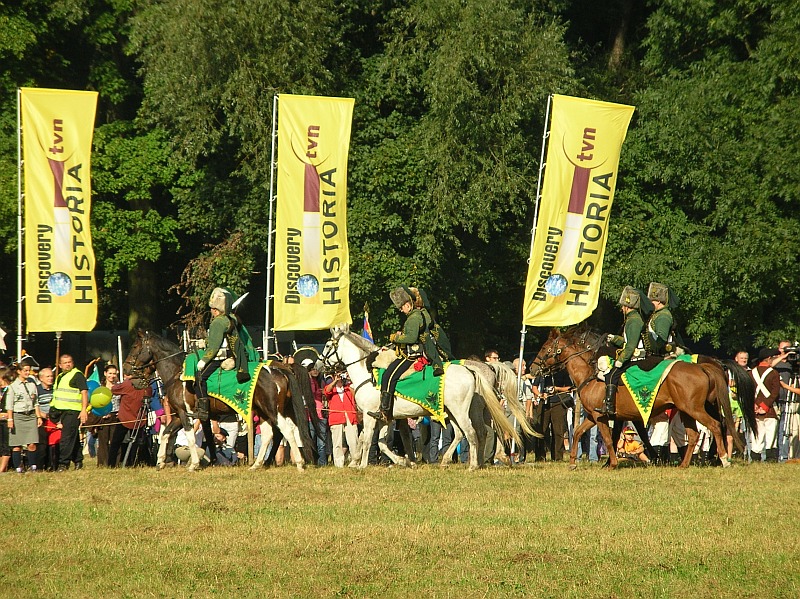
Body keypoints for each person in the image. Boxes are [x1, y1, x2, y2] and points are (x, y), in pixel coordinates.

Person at [368, 286, 427, 422]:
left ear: (407, 304)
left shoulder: (413, 318)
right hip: (408, 353)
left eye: (401, 307)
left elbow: (411, 338)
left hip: (411, 356)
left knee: (389, 375)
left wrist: (395, 337)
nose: (400, 310)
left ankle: (384, 411)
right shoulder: (413, 317)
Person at [196, 287, 252, 421]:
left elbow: (214, 347)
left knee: (199, 378)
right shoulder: (231, 318)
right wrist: (205, 341)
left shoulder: (217, 322)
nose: (211, 311)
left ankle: (203, 410)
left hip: (220, 357)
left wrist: (203, 361)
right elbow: (221, 338)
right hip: (233, 354)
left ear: (216, 309)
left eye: (212, 309)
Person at [598, 286, 648, 416]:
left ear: (627, 306)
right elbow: (626, 341)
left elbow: (631, 346)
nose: (621, 309)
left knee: (611, 375)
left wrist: (620, 360)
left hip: (637, 356)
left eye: (623, 306)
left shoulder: (634, 321)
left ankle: (609, 407)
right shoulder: (632, 319)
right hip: (632, 353)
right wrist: (614, 338)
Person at [50, 354, 89, 471]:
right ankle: (78, 461)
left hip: (73, 411)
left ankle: (63, 464)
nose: (68, 364)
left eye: (69, 362)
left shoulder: (77, 375)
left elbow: (84, 392)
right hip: (61, 411)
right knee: (73, 437)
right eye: (65, 363)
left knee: (66, 439)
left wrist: (84, 410)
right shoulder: (60, 376)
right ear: (60, 365)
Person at [3, 361, 44, 472]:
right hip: (18, 416)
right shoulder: (13, 387)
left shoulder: (32, 385)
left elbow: (36, 403)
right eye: (25, 370)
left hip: (30, 416)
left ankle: (33, 466)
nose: (27, 373)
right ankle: (18, 467)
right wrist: (10, 419)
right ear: (19, 371)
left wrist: (38, 417)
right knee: (17, 444)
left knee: (32, 443)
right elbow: (9, 405)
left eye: (28, 370)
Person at [750, 348, 781, 462]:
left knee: (757, 435)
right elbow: (775, 393)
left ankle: (755, 458)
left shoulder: (751, 373)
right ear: (768, 358)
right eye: (773, 358)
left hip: (755, 409)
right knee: (771, 435)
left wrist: (755, 405)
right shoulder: (774, 373)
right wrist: (765, 406)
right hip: (770, 409)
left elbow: (749, 392)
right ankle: (770, 459)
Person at [323, 372, 359, 467]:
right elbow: (327, 391)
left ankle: (355, 461)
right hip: (336, 417)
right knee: (337, 442)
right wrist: (335, 381)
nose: (340, 378)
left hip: (350, 416)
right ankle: (339, 463)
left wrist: (349, 381)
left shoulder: (349, 388)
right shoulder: (332, 388)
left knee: (353, 440)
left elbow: (356, 396)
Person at [646, 282, 675, 356]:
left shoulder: (663, 316)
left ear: (658, 301)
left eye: (652, 301)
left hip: (662, 356)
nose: (649, 303)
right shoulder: (656, 314)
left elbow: (661, 341)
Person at [34, 367, 54, 470]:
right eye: (48, 376)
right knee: (42, 445)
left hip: (53, 419)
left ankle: (51, 465)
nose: (50, 378)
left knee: (53, 444)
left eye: (51, 376)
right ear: (41, 378)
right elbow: (34, 405)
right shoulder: (36, 390)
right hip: (41, 420)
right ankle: (39, 467)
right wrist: (42, 415)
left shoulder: (55, 389)